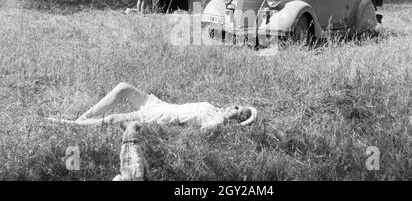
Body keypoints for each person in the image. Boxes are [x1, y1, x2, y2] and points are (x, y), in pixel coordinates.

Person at [46, 82, 258, 133]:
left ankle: (70, 124)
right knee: (123, 87)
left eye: (236, 113)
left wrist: (222, 121)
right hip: (161, 105)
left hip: (165, 117)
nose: (233, 107)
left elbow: (205, 130)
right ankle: (86, 115)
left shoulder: (216, 122)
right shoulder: (213, 106)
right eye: (237, 106)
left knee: (114, 119)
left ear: (235, 120)